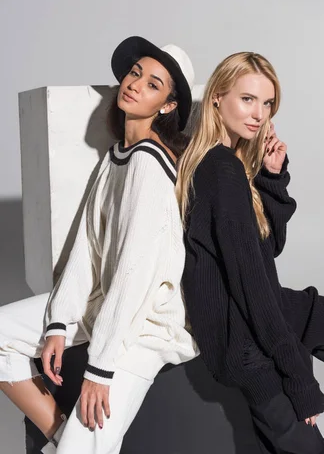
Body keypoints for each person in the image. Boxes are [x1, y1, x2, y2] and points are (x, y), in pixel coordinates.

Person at [176, 51, 324, 454]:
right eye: (247, 99)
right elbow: (250, 287)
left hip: (273, 310)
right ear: (216, 98)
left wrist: (271, 178)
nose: (259, 114)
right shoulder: (220, 172)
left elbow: (266, 250)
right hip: (245, 341)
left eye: (267, 104)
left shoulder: (231, 163)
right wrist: (298, 377)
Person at [0, 36, 198, 454]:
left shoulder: (149, 163)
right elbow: (88, 250)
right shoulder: (116, 157)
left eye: (153, 84)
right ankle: (60, 439)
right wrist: (59, 323)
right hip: (104, 303)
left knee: (86, 440)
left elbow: (134, 274)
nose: (135, 84)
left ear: (166, 105)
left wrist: (100, 368)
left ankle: (70, 443)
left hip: (148, 325)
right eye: (135, 73)